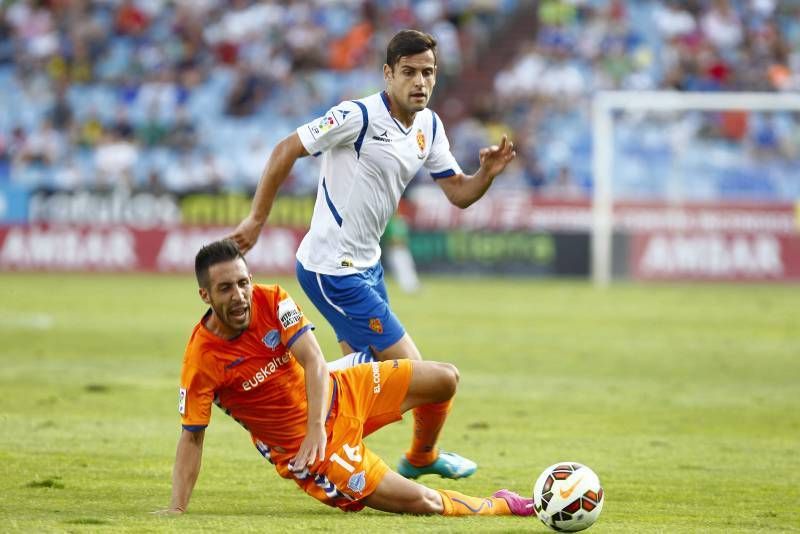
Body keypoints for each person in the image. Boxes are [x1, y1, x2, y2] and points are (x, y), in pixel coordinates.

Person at [230, 29, 516, 479]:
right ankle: (418, 456)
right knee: (421, 375)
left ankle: (314, 425)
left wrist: (486, 174)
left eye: (428, 73)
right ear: (388, 74)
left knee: (366, 383)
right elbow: (287, 148)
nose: (419, 82)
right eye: (408, 72)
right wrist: (255, 221)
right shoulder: (357, 116)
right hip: (331, 268)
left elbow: (458, 193)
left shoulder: (430, 125)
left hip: (366, 267)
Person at [155, 239, 533, 518]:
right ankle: (504, 504)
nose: (239, 296)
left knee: (445, 378)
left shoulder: (272, 299)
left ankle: (420, 456)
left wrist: (317, 423)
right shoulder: (201, 360)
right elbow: (192, 436)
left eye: (242, 283)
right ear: (205, 295)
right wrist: (176, 508)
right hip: (314, 453)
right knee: (424, 502)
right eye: (225, 288)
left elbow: (315, 361)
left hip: (340, 393)